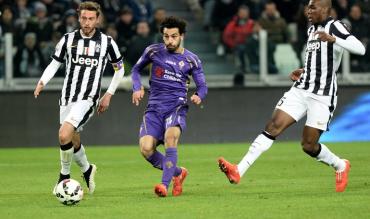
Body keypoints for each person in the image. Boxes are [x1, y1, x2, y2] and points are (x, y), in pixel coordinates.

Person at [218, 0, 365, 193]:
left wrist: (334, 39)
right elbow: (320, 59)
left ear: (325, 9)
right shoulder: (311, 30)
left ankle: (340, 165)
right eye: (307, 7)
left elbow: (360, 49)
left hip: (322, 94)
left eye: (312, 7)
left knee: (308, 145)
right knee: (273, 126)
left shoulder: (334, 27)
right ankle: (239, 169)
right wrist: (305, 70)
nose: (308, 10)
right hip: (301, 88)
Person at [33, 1, 125, 195]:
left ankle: (64, 177)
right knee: (72, 140)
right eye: (84, 18)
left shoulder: (107, 42)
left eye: (91, 19)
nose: (87, 22)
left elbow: (119, 69)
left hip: (88, 98)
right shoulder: (68, 39)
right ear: (78, 17)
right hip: (67, 98)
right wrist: (42, 81)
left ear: (97, 19)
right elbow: (55, 63)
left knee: (63, 134)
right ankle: (87, 169)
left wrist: (109, 94)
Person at [131, 16, 208, 197]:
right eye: (166, 36)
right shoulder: (153, 51)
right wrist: (137, 87)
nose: (169, 41)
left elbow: (203, 86)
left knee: (170, 138)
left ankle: (164, 185)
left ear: (182, 36)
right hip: (154, 108)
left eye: (174, 36)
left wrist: (198, 95)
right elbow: (135, 70)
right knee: (146, 148)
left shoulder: (192, 60)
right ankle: (179, 173)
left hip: (176, 107)